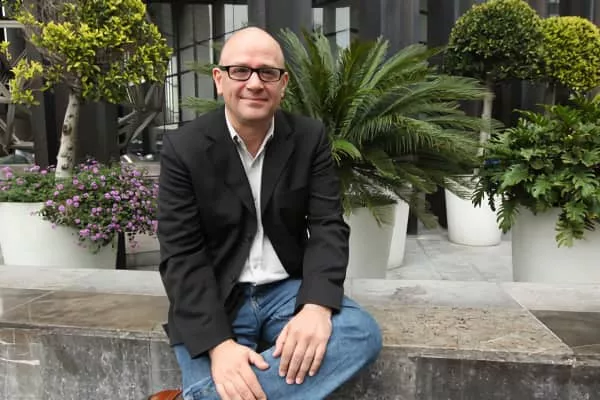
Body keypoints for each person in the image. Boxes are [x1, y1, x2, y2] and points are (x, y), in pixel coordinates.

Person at [155, 26, 382, 400]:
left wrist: (316, 307)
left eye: (267, 72)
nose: (255, 83)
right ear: (219, 79)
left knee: (360, 333)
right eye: (240, 71)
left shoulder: (309, 137)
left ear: (283, 83)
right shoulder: (184, 147)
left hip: (287, 292)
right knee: (222, 376)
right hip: (218, 298)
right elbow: (181, 254)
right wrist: (219, 346)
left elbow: (327, 226)